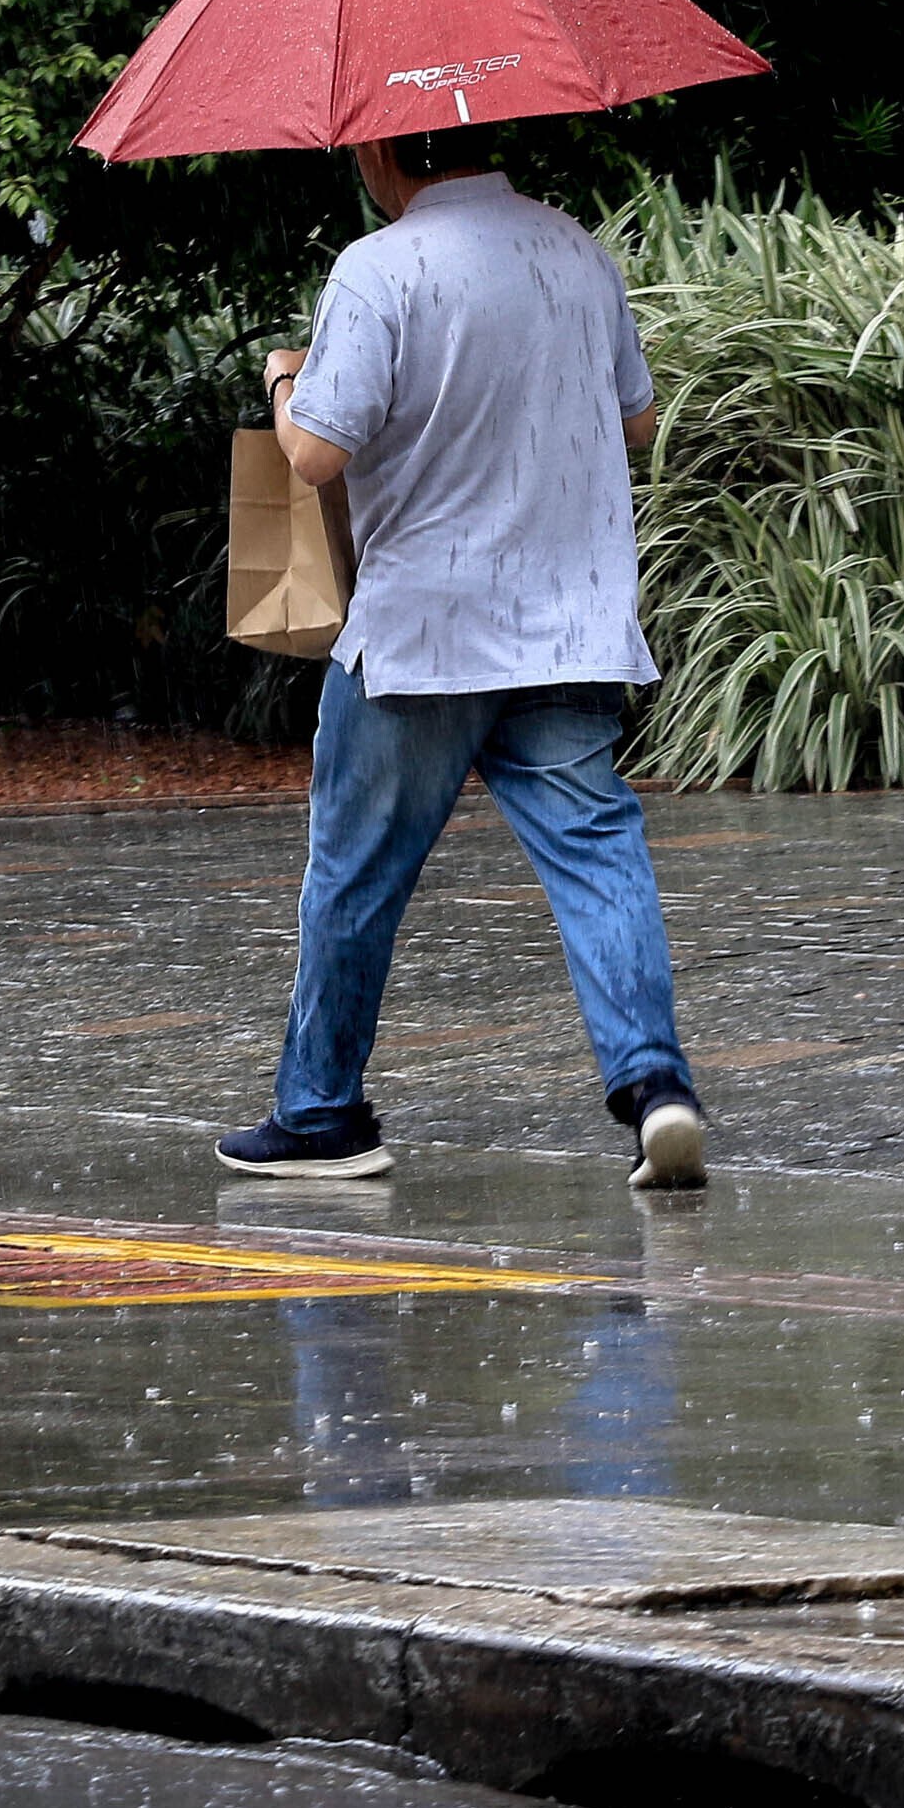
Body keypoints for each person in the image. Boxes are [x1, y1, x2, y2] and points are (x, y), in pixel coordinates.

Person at [213, 126, 709, 1192]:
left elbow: (317, 454)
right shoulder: (577, 251)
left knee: (356, 873)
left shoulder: (378, 268)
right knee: (597, 854)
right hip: (569, 627)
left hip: (423, 639)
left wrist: (288, 384)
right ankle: (654, 1087)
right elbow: (637, 422)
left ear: (382, 155)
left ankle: (321, 1115)